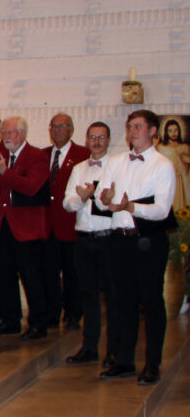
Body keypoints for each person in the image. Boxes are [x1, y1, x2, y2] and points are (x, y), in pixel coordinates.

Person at [96, 109, 177, 385]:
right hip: (119, 238)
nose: (132, 132)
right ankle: (124, 361)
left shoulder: (162, 165)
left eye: (138, 127)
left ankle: (153, 363)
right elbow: (100, 198)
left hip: (149, 241)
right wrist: (104, 198)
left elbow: (161, 210)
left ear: (153, 131)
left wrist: (131, 206)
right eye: (130, 127)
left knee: (152, 301)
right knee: (122, 302)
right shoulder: (117, 161)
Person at [0, 117, 51, 340]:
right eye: (3, 133)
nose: (6, 137)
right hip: (2, 226)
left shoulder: (37, 156)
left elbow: (31, 187)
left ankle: (38, 323)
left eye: (10, 133)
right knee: (4, 275)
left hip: (27, 228)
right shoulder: (1, 155)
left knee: (31, 276)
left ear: (22, 134)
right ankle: (10, 320)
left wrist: (4, 173)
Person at [63, 122, 116, 365]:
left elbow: (117, 203)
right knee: (88, 296)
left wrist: (103, 199)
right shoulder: (80, 168)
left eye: (101, 138)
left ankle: (114, 349)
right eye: (93, 137)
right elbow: (67, 203)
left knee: (113, 297)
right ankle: (89, 346)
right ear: (86, 139)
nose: (96, 142)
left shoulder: (117, 167)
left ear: (108, 140)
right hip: (83, 238)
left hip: (108, 239)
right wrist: (81, 199)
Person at [44, 113, 90, 330]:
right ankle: (51, 313)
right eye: (54, 126)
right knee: (48, 272)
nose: (57, 130)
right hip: (46, 225)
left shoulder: (83, 154)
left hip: (71, 223)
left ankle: (73, 313)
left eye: (62, 126)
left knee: (73, 273)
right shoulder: (42, 155)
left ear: (71, 129)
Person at [156, 118, 190, 212]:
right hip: (167, 183)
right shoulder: (161, 148)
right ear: (166, 132)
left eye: (175, 130)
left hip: (182, 182)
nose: (173, 133)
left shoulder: (185, 147)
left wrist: (185, 158)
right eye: (170, 131)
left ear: (179, 131)